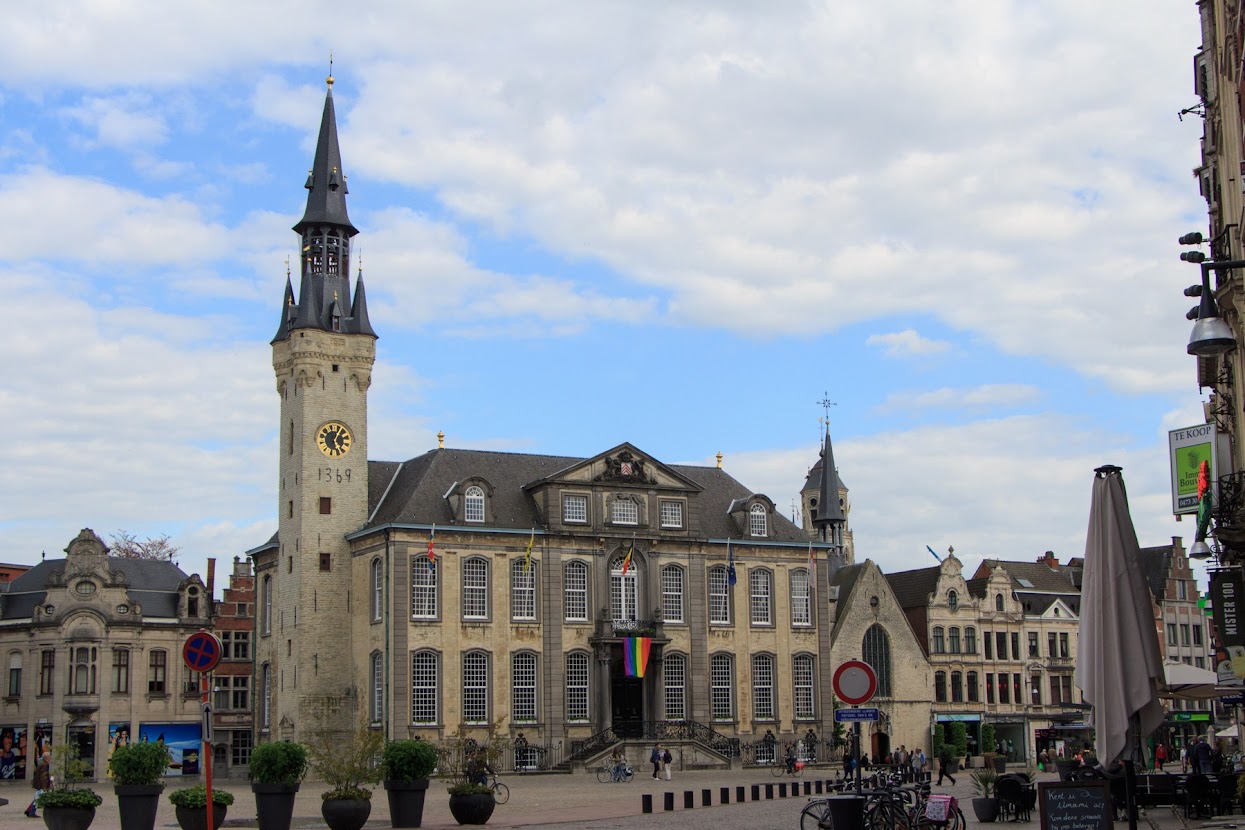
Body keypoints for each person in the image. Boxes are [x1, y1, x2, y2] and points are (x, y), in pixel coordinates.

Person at [27, 750, 51, 818]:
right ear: (46, 758)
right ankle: (31, 812)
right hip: (42, 785)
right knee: (38, 798)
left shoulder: (42, 764)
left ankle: (29, 811)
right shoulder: (45, 765)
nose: (50, 759)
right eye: (49, 757)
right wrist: (44, 786)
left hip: (40, 785)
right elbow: (43, 777)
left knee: (37, 798)